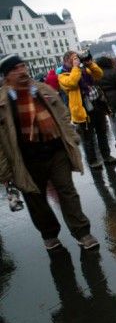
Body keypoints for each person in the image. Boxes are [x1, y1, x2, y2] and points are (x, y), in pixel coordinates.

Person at [0, 54, 99, 250]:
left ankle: (82, 232)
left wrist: (72, 137)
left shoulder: (42, 89)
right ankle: (49, 233)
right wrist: (4, 171)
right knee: (36, 199)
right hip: (26, 159)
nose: (21, 71)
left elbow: (62, 115)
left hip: (56, 152)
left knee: (67, 192)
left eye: (23, 66)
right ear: (5, 76)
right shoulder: (2, 101)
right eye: (15, 69)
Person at [58, 50, 116, 169]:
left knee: (102, 132)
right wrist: (76, 68)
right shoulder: (63, 75)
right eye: (74, 58)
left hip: (96, 104)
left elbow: (99, 74)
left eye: (77, 58)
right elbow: (72, 82)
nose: (77, 60)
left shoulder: (84, 69)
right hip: (82, 110)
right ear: (67, 61)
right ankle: (92, 161)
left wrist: (90, 63)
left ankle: (106, 156)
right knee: (88, 137)